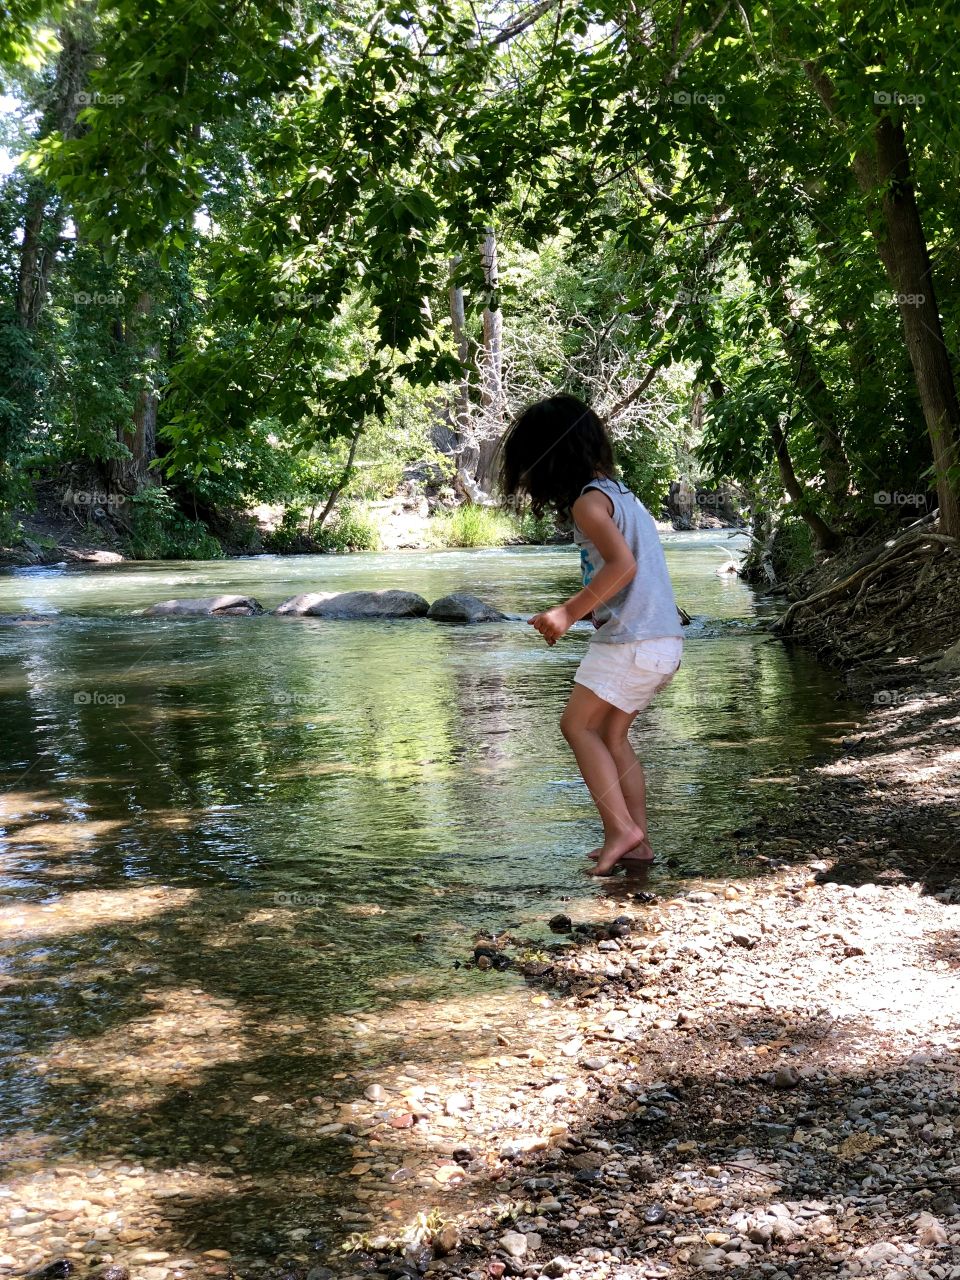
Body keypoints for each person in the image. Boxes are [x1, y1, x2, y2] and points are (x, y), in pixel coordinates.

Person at [499, 393, 684, 875]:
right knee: (611, 734)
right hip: (662, 641)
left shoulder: (587, 503)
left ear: (550, 459)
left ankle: (620, 831)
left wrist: (567, 612)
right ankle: (638, 843)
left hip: (632, 640)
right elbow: (632, 575)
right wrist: (582, 613)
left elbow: (623, 567)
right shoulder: (622, 495)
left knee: (576, 727)